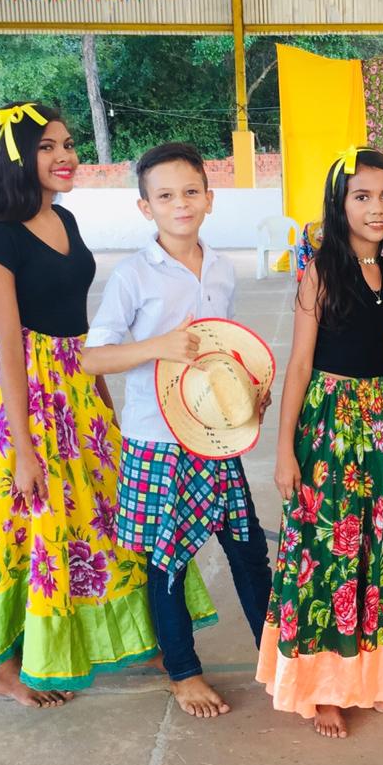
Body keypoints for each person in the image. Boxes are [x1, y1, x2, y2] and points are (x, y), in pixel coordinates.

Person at [0, 102, 157, 707]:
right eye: (47, 147)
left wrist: (101, 400)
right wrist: (22, 448)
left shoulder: (65, 220)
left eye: (67, 144)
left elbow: (80, 322)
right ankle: (7, 667)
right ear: (16, 158)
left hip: (76, 385)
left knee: (95, 514)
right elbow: (10, 346)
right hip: (20, 399)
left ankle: (73, 637)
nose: (66, 156)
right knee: (28, 523)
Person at [81, 142, 272, 720]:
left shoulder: (220, 267)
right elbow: (93, 358)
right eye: (165, 196)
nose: (180, 204)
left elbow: (223, 344)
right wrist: (157, 347)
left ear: (209, 200)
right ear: (146, 209)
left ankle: (278, 654)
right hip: (158, 441)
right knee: (168, 561)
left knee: (248, 547)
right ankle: (184, 672)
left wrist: (247, 388)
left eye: (191, 192)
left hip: (215, 436)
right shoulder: (134, 276)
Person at [258, 146, 383, 739]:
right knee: (329, 553)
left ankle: (373, 679)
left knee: (378, 552)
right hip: (328, 424)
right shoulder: (322, 269)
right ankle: (322, 687)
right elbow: (298, 364)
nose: (376, 209)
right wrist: (284, 451)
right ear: (339, 203)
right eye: (362, 197)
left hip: (377, 424)